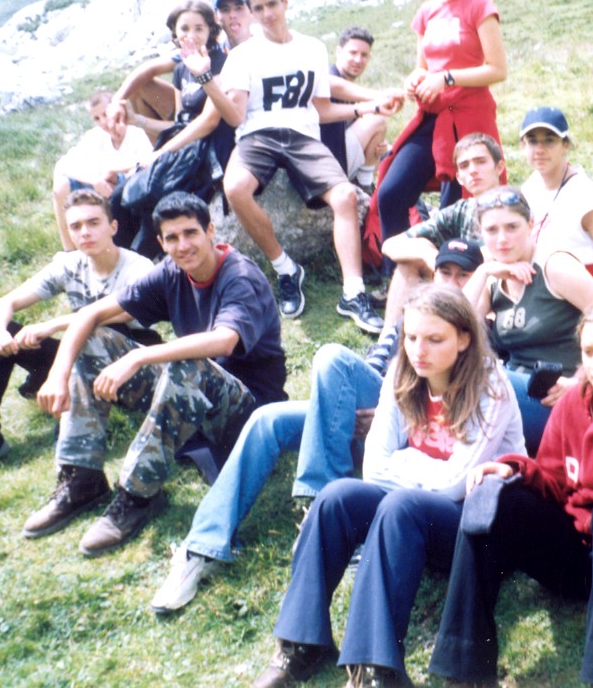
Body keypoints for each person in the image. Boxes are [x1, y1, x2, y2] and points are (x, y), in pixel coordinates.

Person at [147, 238, 486, 615]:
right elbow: (374, 364)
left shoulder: (476, 332)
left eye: (464, 275)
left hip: (408, 427)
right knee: (267, 419)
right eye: (445, 272)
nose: (452, 282)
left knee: (332, 357)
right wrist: (345, 403)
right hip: (372, 405)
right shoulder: (413, 321)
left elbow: (466, 404)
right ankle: (202, 546)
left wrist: (390, 414)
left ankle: (322, 509)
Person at [252, 285, 525, 688]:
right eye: (411, 337)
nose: (419, 351)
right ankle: (302, 643)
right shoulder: (403, 373)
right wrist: (422, 468)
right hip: (415, 516)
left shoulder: (490, 384)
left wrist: (406, 460)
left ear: (464, 339)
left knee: (401, 505)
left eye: (434, 339)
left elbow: (456, 485)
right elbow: (374, 470)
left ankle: (376, 668)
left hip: (480, 529)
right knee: (335, 497)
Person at [429, 294, 593, 687]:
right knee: (495, 494)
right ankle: (464, 667)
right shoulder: (576, 401)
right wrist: (515, 470)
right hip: (582, 558)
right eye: (588, 351)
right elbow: (557, 479)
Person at [26, 192, 286, 556]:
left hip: (249, 412)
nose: (184, 245)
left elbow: (224, 341)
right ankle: (82, 479)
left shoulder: (240, 276)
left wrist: (139, 357)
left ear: (211, 231)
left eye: (191, 233)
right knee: (94, 340)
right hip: (194, 396)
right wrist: (58, 372)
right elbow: (92, 314)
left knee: (187, 364)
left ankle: (137, 496)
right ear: (161, 244)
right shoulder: (171, 272)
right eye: (172, 238)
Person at [186, 0, 401, 334]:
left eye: (272, 4)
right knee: (235, 187)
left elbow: (322, 108)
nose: (268, 13)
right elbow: (236, 116)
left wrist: (368, 108)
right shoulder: (242, 56)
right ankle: (285, 268)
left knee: (345, 195)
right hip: (257, 135)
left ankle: (353, 292)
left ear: (285, 2)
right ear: (252, 13)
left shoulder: (311, 48)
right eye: (259, 8)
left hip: (302, 135)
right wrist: (206, 78)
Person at [0, 190, 158, 479]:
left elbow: (123, 314)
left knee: (96, 331)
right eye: (75, 226)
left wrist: (51, 325)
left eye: (93, 223)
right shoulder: (69, 264)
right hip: (80, 358)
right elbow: (5, 303)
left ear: (113, 227)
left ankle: (70, 439)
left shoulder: (139, 267)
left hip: (130, 367)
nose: (85, 232)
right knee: (1, 334)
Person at [369, 0, 507, 256]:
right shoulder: (427, 11)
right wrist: (415, 80)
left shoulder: (480, 5)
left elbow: (497, 69)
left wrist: (446, 78)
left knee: (460, 204)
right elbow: (422, 66)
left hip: (469, 116)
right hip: (432, 115)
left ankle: (459, 271)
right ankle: (400, 272)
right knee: (391, 192)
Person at [465, 186, 593, 453]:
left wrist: (584, 379)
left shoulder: (554, 266)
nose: (502, 239)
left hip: (562, 397)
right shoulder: (494, 276)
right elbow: (451, 328)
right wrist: (484, 271)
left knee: (478, 383)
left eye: (512, 227)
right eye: (492, 230)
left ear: (530, 225)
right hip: (516, 388)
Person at [105, 0, 239, 257]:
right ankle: (111, 260)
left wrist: (161, 152)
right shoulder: (181, 69)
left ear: (210, 31)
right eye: (184, 29)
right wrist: (137, 121)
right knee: (120, 199)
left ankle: (140, 262)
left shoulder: (221, 64)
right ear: (175, 33)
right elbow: (179, 123)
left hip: (205, 150)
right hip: (181, 146)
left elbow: (208, 121)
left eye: (199, 28)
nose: (191, 35)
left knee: (154, 203)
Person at [365, 132, 505, 371]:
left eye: (481, 162)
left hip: (494, 293)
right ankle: (386, 345)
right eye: (465, 166)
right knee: (410, 260)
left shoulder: (514, 206)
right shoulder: (462, 210)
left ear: (499, 167)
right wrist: (428, 255)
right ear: (459, 177)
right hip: (457, 285)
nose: (473, 170)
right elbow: (390, 245)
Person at [518, 106, 593, 292]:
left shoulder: (585, 196)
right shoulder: (530, 186)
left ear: (565, 145)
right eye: (532, 141)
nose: (539, 150)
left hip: (583, 296)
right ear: (523, 146)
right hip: (543, 293)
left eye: (549, 141)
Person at [51, 91, 153, 251]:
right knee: (61, 187)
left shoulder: (135, 134)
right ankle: (70, 251)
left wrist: (113, 170)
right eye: (97, 118)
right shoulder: (95, 136)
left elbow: (146, 163)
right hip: (100, 186)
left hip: (125, 192)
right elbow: (64, 165)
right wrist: (95, 181)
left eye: (105, 114)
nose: (103, 122)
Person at [318, 26, 393, 188]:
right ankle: (365, 186)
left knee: (390, 150)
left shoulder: (349, 85)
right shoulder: (330, 80)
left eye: (364, 55)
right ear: (339, 51)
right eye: (353, 53)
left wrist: (378, 142)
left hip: (339, 156)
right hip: (329, 161)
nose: (358, 60)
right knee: (377, 121)